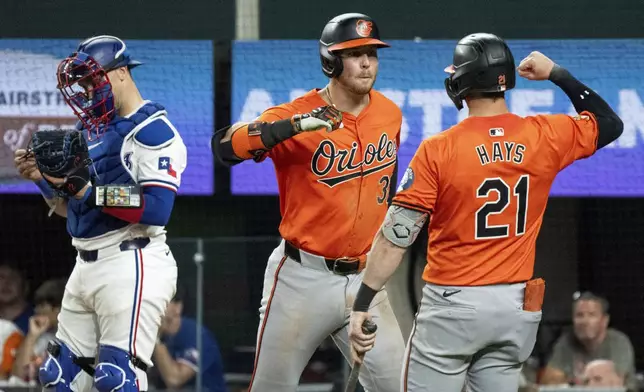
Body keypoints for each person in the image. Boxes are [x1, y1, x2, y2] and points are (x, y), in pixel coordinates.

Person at [347, 33, 623, 392]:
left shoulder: (438, 149)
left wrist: (362, 302)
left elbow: (395, 239)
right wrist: (557, 73)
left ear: (462, 82)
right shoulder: (545, 135)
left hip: (454, 306)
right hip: (515, 310)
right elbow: (609, 122)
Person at [211, 12, 405, 392]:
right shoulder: (296, 114)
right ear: (330, 61)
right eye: (355, 54)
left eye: (372, 53)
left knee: (403, 386)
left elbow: (386, 191)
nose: (367, 63)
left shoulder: (389, 114)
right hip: (302, 279)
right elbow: (222, 147)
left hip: (365, 280)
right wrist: (290, 128)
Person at [13, 35, 186, 392]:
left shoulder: (152, 129)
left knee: (116, 378)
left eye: (94, 79)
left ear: (121, 72)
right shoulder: (88, 130)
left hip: (132, 259)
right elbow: (70, 208)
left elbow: (157, 208)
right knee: (58, 376)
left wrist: (90, 192)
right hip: (85, 263)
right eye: (83, 82)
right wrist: (41, 180)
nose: (88, 90)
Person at [541, 292, 637, 390]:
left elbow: (613, 383)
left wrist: (572, 381)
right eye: (579, 315)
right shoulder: (565, 342)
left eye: (592, 315)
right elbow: (548, 381)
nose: (584, 321)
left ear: (604, 320)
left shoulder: (618, 342)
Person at [152, 286, 227, 392]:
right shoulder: (164, 334)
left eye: (161, 302)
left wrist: (156, 338)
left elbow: (174, 380)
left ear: (178, 306)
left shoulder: (197, 336)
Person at [11, 278, 66, 385]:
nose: (36, 310)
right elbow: (19, 376)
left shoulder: (85, 336)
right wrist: (32, 335)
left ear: (58, 309)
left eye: (42, 306)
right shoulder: (46, 338)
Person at [0, 262, 34, 334]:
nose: (7, 283)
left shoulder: (39, 319)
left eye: (14, 277)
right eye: (1, 277)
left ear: (24, 285)